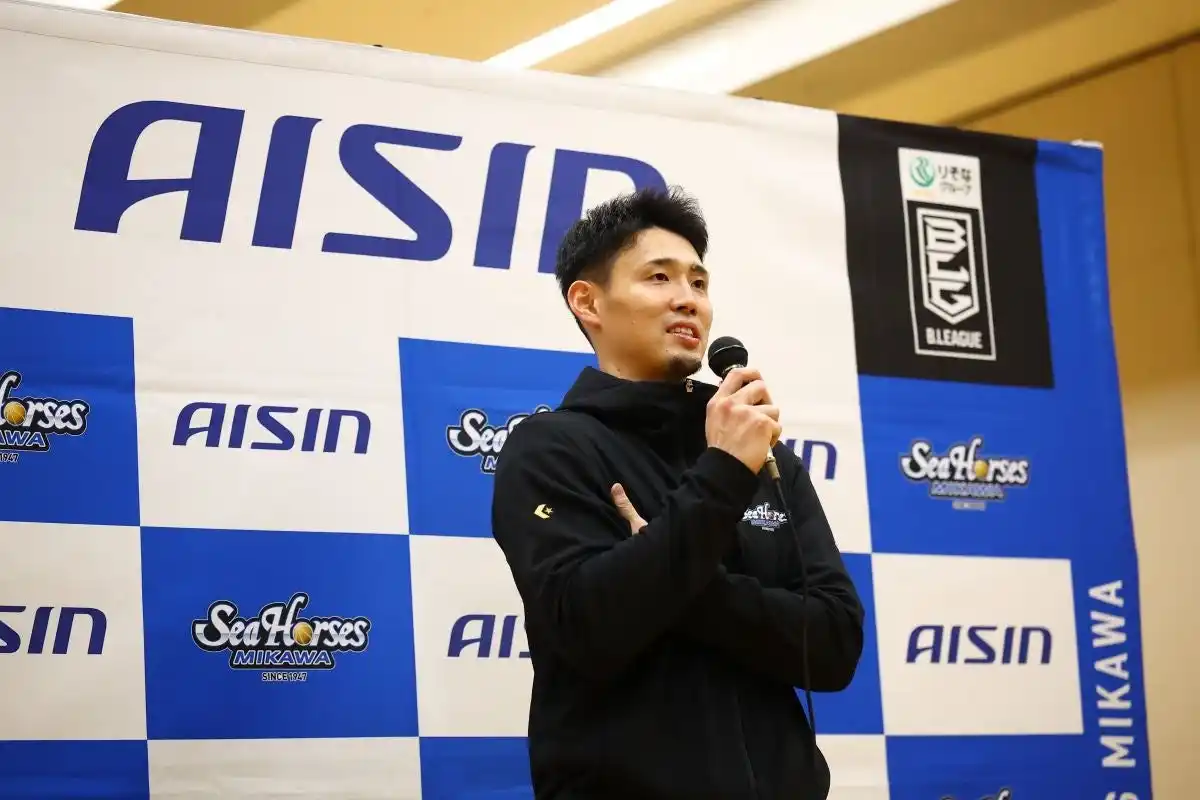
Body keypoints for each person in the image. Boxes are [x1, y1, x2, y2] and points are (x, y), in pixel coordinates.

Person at [490, 186, 865, 800]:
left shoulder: (763, 456)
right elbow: (586, 626)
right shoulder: (551, 447)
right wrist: (721, 474)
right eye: (658, 277)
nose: (688, 299)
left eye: (699, 282)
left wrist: (687, 580)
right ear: (588, 301)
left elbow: (834, 647)